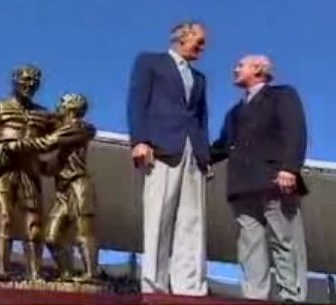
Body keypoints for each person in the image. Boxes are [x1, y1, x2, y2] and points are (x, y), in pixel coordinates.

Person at [211, 55, 308, 302]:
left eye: (240, 65)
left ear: (258, 69)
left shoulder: (282, 96)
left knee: (284, 241)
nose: (235, 69)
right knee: (250, 246)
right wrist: (195, 156)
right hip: (242, 188)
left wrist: (290, 168)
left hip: (275, 180)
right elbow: (222, 146)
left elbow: (295, 131)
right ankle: (255, 297)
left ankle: (291, 296)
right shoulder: (234, 112)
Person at [127, 21, 210, 296]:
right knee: (158, 218)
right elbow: (137, 101)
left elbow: (201, 119)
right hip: (161, 148)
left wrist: (204, 156)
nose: (202, 46)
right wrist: (139, 140)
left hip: (193, 153)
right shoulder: (150, 62)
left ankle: (190, 289)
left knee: (192, 222)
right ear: (181, 37)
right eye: (198, 40)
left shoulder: (200, 79)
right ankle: (154, 288)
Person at [0, 65, 53, 281]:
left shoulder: (44, 115)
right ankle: (1, 270)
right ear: (14, 81)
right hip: (3, 170)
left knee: (34, 224)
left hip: (30, 172)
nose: (29, 85)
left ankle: (35, 274)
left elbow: (59, 143)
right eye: (25, 80)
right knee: (3, 218)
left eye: (34, 82)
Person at [4, 93, 98, 282]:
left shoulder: (77, 128)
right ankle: (66, 273)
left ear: (72, 107)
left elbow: (46, 143)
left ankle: (91, 274)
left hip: (78, 185)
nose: (58, 106)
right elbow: (48, 168)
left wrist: (17, 145)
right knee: (51, 236)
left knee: (83, 231)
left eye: (62, 103)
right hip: (63, 191)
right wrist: (30, 161)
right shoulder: (66, 143)